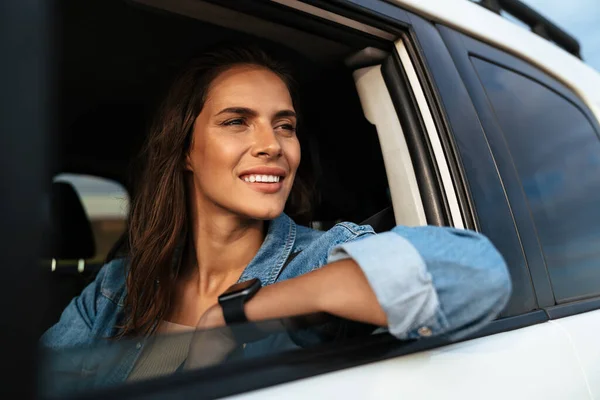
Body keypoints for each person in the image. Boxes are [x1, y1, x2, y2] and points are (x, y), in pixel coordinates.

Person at [40, 44, 511, 385]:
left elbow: (476, 271)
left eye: (284, 125)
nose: (273, 145)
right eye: (236, 121)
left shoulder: (322, 258)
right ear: (185, 150)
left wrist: (237, 315)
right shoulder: (117, 286)